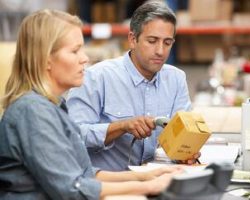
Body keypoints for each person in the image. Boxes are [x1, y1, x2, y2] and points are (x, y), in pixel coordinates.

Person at [0, 9, 183, 199]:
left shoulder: (54, 107)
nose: (85, 58)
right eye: (75, 51)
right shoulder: (32, 111)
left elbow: (86, 174)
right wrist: (149, 186)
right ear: (46, 59)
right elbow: (72, 189)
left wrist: (145, 176)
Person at [67, 1, 197, 171]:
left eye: (167, 43)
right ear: (132, 39)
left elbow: (184, 137)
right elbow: (72, 136)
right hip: (109, 188)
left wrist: (185, 153)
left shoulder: (176, 79)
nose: (160, 51)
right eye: (152, 41)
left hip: (156, 181)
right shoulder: (96, 78)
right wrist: (121, 126)